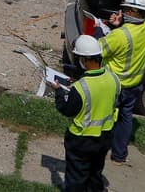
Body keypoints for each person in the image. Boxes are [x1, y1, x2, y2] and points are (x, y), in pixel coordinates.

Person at [56, 35, 121, 192]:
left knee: (76, 178)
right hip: (105, 137)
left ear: (84, 60)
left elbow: (67, 110)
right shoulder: (114, 78)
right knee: (95, 172)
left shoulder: (80, 88)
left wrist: (59, 92)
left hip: (81, 141)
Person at [99, 0, 145, 166]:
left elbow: (98, 50)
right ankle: (119, 156)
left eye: (124, 9)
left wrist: (103, 29)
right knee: (126, 118)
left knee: (101, 119)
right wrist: (119, 25)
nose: (121, 12)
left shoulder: (120, 35)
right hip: (135, 83)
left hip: (115, 86)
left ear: (130, 11)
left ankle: (95, 152)